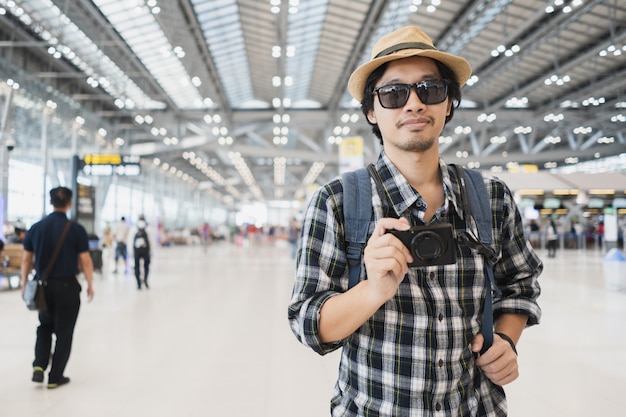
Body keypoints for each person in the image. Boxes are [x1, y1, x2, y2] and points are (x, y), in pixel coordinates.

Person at [288, 26, 542, 416]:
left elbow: (520, 283)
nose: (413, 104)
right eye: (393, 93)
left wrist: (506, 340)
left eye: (430, 89)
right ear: (372, 111)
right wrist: (372, 290)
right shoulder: (338, 202)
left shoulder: (490, 197)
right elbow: (309, 322)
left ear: (448, 104)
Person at [20, 186, 95, 389]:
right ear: (70, 203)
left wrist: (24, 283)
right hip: (67, 287)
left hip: (43, 287)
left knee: (44, 326)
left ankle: (39, 366)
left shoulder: (36, 228)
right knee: (64, 332)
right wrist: (90, 284)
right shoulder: (76, 229)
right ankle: (55, 377)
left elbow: (27, 260)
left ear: (51, 202)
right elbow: (86, 261)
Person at [132, 216, 151, 289]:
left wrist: (131, 252)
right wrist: (151, 252)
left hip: (137, 251)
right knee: (146, 266)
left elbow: (131, 241)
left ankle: (138, 283)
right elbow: (151, 241)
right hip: (145, 251)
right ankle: (145, 280)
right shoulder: (148, 228)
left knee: (137, 267)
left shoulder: (134, 228)